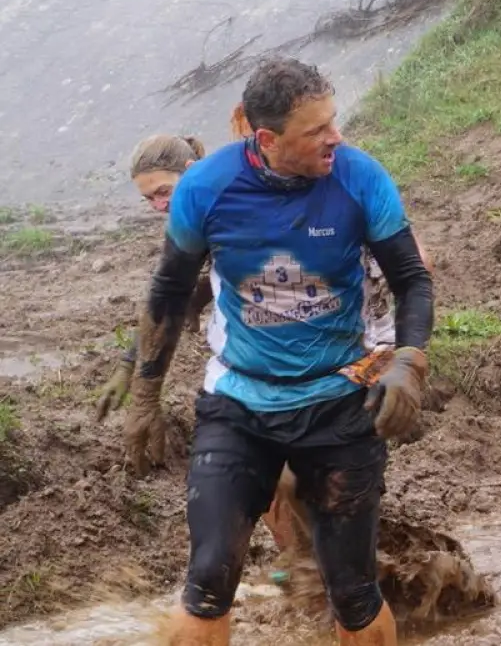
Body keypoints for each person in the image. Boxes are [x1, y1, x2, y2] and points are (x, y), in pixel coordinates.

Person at [121, 57, 433, 646]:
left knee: (354, 594)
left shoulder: (360, 178)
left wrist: (409, 361)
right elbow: (168, 290)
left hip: (340, 403)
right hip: (238, 405)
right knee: (207, 579)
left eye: (333, 122)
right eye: (316, 131)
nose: (335, 137)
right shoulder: (206, 188)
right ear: (267, 139)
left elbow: (413, 278)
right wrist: (145, 394)